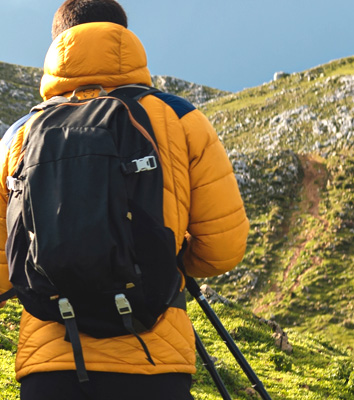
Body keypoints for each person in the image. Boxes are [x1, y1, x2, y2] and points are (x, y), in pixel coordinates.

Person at [0, 1, 249, 399]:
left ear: (58, 42)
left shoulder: (19, 135)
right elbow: (223, 249)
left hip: (50, 367)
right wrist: (165, 258)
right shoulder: (180, 118)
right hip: (153, 360)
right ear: (125, 36)